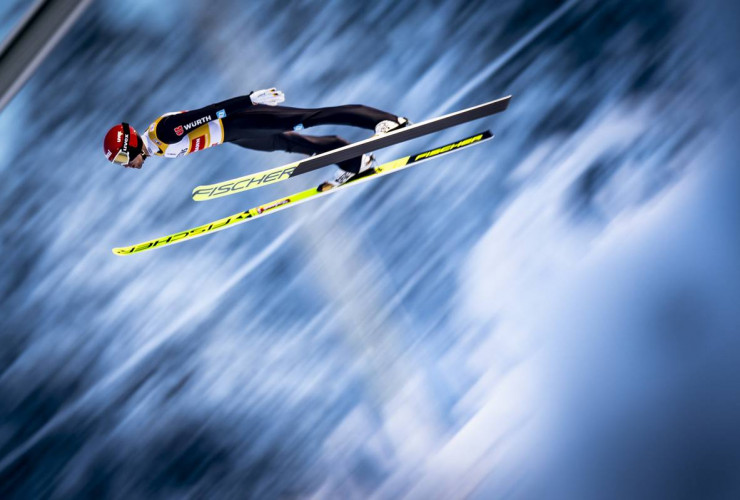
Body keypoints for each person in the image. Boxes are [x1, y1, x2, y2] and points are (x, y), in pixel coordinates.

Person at [102, 88, 408, 187]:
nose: (125, 165)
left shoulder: (165, 132)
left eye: (121, 158)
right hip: (233, 136)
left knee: (309, 119)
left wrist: (251, 99)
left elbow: (212, 111)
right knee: (289, 143)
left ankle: (388, 121)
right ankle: (356, 161)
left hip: (239, 121)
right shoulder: (155, 147)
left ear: (129, 146)